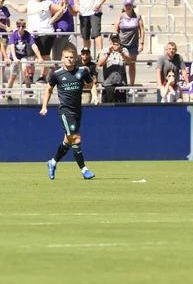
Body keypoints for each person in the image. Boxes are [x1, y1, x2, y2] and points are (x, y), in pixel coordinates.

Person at [40, 47, 99, 180]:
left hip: (77, 111)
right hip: (65, 112)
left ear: (75, 59)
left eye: (71, 57)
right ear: (62, 59)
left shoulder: (82, 71)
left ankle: (53, 162)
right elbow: (48, 90)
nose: (69, 59)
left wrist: (94, 95)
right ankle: (84, 170)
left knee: (68, 140)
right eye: (66, 57)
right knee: (76, 138)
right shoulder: (57, 74)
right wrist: (44, 107)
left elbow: (92, 84)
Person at [7, 0, 64, 84]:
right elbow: (20, 9)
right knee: (30, 57)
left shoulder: (47, 3)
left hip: (46, 32)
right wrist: (8, 3)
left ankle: (42, 77)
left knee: (45, 56)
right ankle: (30, 77)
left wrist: (51, 20)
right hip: (32, 34)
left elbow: (60, 9)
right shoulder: (30, 3)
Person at [6, 19, 45, 101]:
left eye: (23, 26)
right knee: (13, 76)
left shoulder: (27, 35)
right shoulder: (14, 35)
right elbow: (12, 47)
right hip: (14, 56)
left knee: (25, 71)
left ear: (25, 27)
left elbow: (34, 46)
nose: (21, 28)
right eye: (19, 26)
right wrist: (14, 58)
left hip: (23, 56)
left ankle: (28, 89)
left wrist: (39, 57)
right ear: (16, 27)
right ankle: (8, 92)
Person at [113, 0, 144, 89]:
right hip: (122, 43)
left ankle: (131, 85)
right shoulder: (120, 16)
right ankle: (121, 83)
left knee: (132, 64)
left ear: (132, 6)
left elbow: (142, 30)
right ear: (124, 7)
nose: (128, 7)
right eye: (126, 5)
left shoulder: (137, 16)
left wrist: (141, 43)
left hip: (133, 44)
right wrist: (116, 43)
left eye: (130, 5)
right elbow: (115, 29)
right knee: (121, 63)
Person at [97, 34, 132, 103]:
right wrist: (108, 53)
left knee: (121, 109)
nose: (115, 42)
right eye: (113, 40)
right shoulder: (104, 51)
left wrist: (120, 52)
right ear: (110, 41)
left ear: (119, 41)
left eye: (116, 40)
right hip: (107, 85)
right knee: (107, 109)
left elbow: (129, 62)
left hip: (121, 84)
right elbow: (100, 64)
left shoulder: (124, 50)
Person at [49, 0, 78, 68]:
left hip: (69, 31)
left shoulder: (71, 0)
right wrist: (61, 5)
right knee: (56, 58)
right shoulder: (51, 1)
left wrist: (67, 4)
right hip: (58, 32)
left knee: (72, 55)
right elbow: (52, 14)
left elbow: (74, 13)